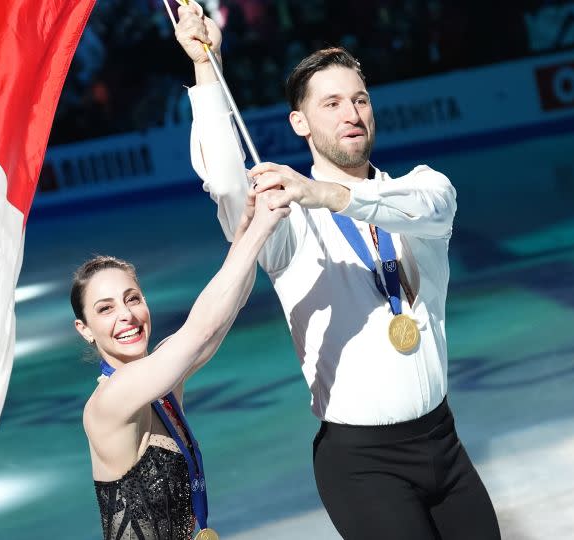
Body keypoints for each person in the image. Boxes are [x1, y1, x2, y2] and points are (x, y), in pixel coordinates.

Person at [174, 3, 501, 539]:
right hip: (362, 464)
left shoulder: (418, 190)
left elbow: (427, 204)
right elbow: (230, 186)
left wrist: (321, 192)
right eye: (331, 103)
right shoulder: (288, 222)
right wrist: (206, 68)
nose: (352, 113)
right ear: (299, 122)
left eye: (360, 99)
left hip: (444, 442)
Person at [72, 187, 289, 540]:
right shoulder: (110, 401)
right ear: (85, 330)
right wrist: (262, 229)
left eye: (133, 299)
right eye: (106, 308)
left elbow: (223, 314)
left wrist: (246, 236)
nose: (126, 315)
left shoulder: (162, 383)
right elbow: (200, 331)